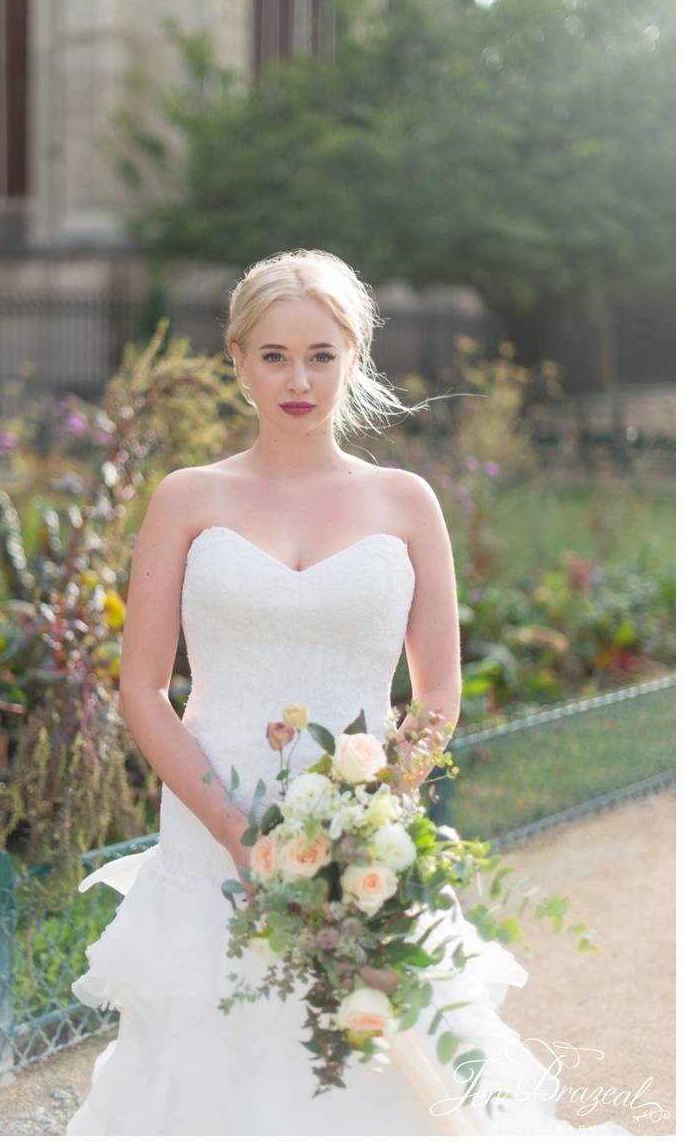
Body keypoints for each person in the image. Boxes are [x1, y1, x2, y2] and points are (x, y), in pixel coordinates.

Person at [66, 249, 631, 1135]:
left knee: (374, 1070)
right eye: (276, 356)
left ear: (356, 357)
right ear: (238, 359)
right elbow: (143, 691)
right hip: (213, 834)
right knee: (214, 1069)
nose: (299, 379)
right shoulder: (186, 499)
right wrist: (244, 840)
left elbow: (436, 692)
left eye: (322, 355)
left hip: (364, 838)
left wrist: (358, 827)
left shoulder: (406, 503)